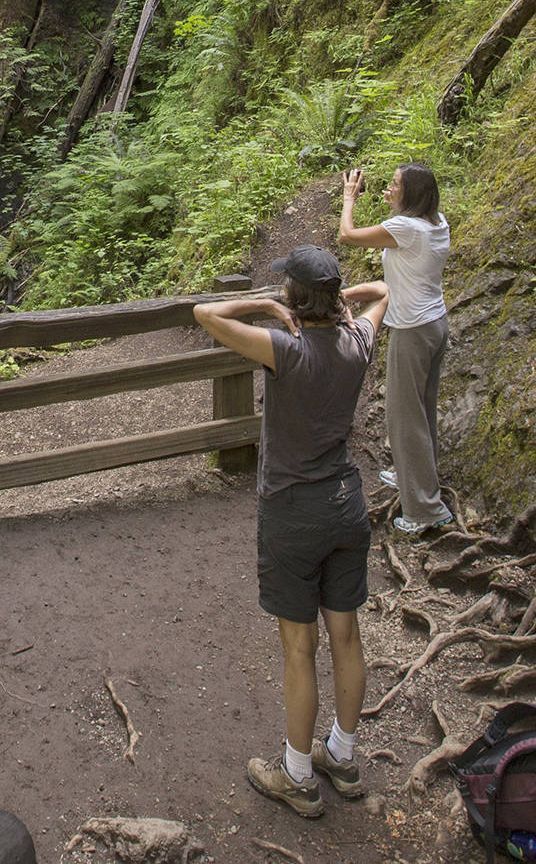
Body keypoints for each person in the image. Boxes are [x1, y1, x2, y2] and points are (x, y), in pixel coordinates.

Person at [195, 249, 389, 819]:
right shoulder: (356, 342)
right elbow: (384, 292)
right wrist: (338, 305)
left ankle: (298, 775)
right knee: (346, 638)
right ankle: (343, 759)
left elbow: (208, 314)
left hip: (292, 511)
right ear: (332, 295)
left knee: (299, 648)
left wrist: (263, 304)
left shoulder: (286, 348)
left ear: (294, 298)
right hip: (346, 503)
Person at [336, 161, 452, 535]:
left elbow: (347, 235)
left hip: (414, 331)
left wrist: (349, 197)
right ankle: (412, 474)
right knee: (423, 409)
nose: (389, 186)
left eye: (396, 184)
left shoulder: (405, 228)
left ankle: (424, 510)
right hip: (435, 323)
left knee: (404, 418)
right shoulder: (436, 223)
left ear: (412, 194)